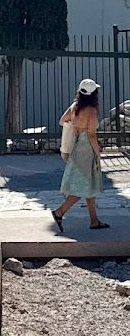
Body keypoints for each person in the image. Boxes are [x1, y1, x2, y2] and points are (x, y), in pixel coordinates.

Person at [52, 78, 108, 231]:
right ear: (94, 94)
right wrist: (98, 151)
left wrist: (75, 126)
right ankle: (59, 212)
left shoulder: (74, 107)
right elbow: (91, 135)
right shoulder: (91, 111)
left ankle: (94, 221)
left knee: (88, 185)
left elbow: (62, 120)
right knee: (83, 187)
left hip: (76, 148)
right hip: (86, 150)